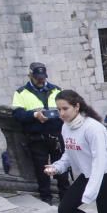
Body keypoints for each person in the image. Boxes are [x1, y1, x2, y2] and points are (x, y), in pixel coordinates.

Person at [11, 62, 69, 205]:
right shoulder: (20, 93)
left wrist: (61, 114)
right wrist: (35, 115)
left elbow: (66, 108)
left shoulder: (56, 90)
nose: (41, 80)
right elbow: (18, 115)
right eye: (37, 77)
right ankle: (46, 197)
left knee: (62, 166)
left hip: (55, 135)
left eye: (43, 77)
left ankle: (65, 196)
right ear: (30, 75)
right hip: (36, 136)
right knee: (41, 168)